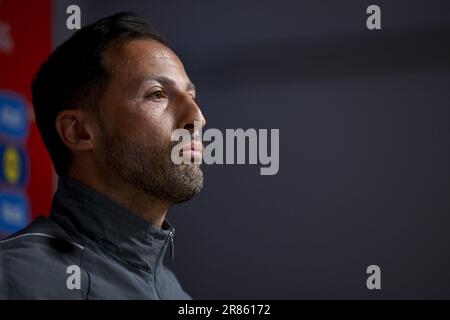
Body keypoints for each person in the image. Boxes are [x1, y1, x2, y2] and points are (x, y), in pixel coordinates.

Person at [0, 12, 206, 299]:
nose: (197, 117)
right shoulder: (13, 279)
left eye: (191, 96)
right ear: (79, 131)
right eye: (157, 94)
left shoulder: (175, 293)